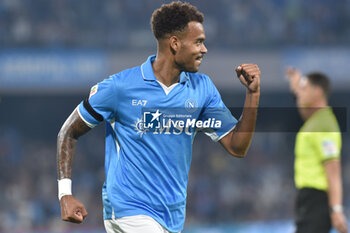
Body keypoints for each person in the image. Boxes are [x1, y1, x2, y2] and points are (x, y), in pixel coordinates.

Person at [56, 2, 261, 233]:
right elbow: (68, 131)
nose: (204, 50)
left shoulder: (202, 89)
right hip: (128, 210)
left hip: (171, 217)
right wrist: (65, 194)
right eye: (198, 42)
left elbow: (237, 147)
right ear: (174, 43)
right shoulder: (120, 87)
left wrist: (252, 94)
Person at [286, 68, 348, 233]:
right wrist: (296, 86)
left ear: (318, 92)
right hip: (307, 199)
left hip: (317, 199)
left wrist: (336, 209)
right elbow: (302, 107)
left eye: (304, 89)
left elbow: (333, 169)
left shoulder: (324, 125)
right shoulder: (315, 121)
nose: (300, 93)